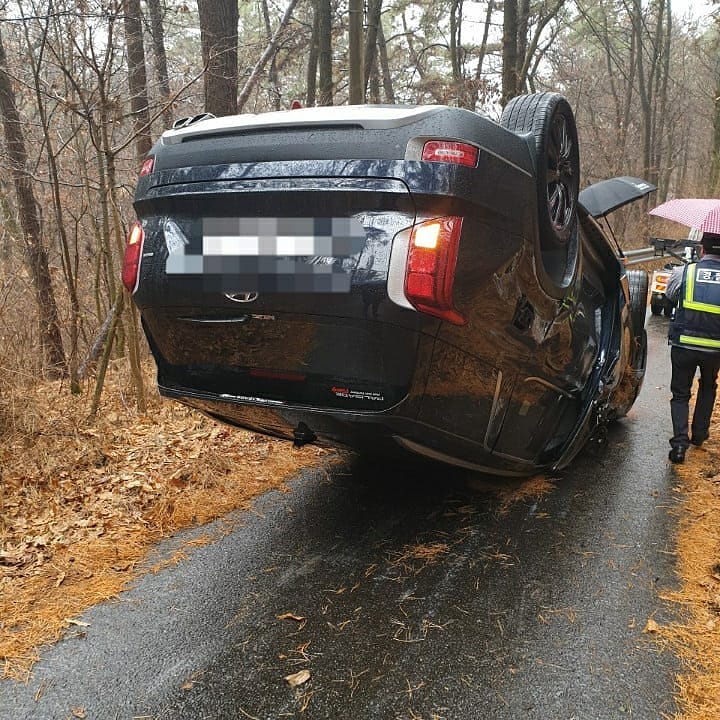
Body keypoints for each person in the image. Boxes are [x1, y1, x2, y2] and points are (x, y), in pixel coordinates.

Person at [666, 231, 720, 463]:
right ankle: (699, 435)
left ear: (701, 249)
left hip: (684, 344)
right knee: (708, 386)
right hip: (715, 349)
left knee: (680, 394)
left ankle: (679, 445)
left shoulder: (684, 272)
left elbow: (670, 295)